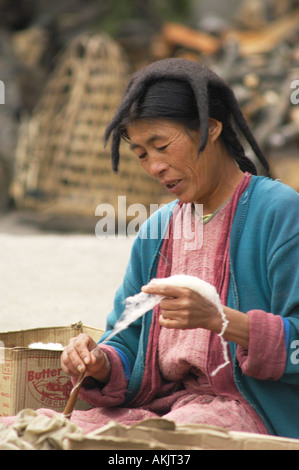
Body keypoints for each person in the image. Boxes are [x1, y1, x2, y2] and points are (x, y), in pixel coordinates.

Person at [61, 58, 299, 438]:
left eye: (162, 146)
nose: (154, 166)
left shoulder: (279, 212)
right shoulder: (157, 229)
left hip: (248, 414)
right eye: (141, 154)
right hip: (166, 408)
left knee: (154, 446)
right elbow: (126, 339)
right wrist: (98, 362)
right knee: (35, 434)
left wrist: (221, 320)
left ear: (212, 128)